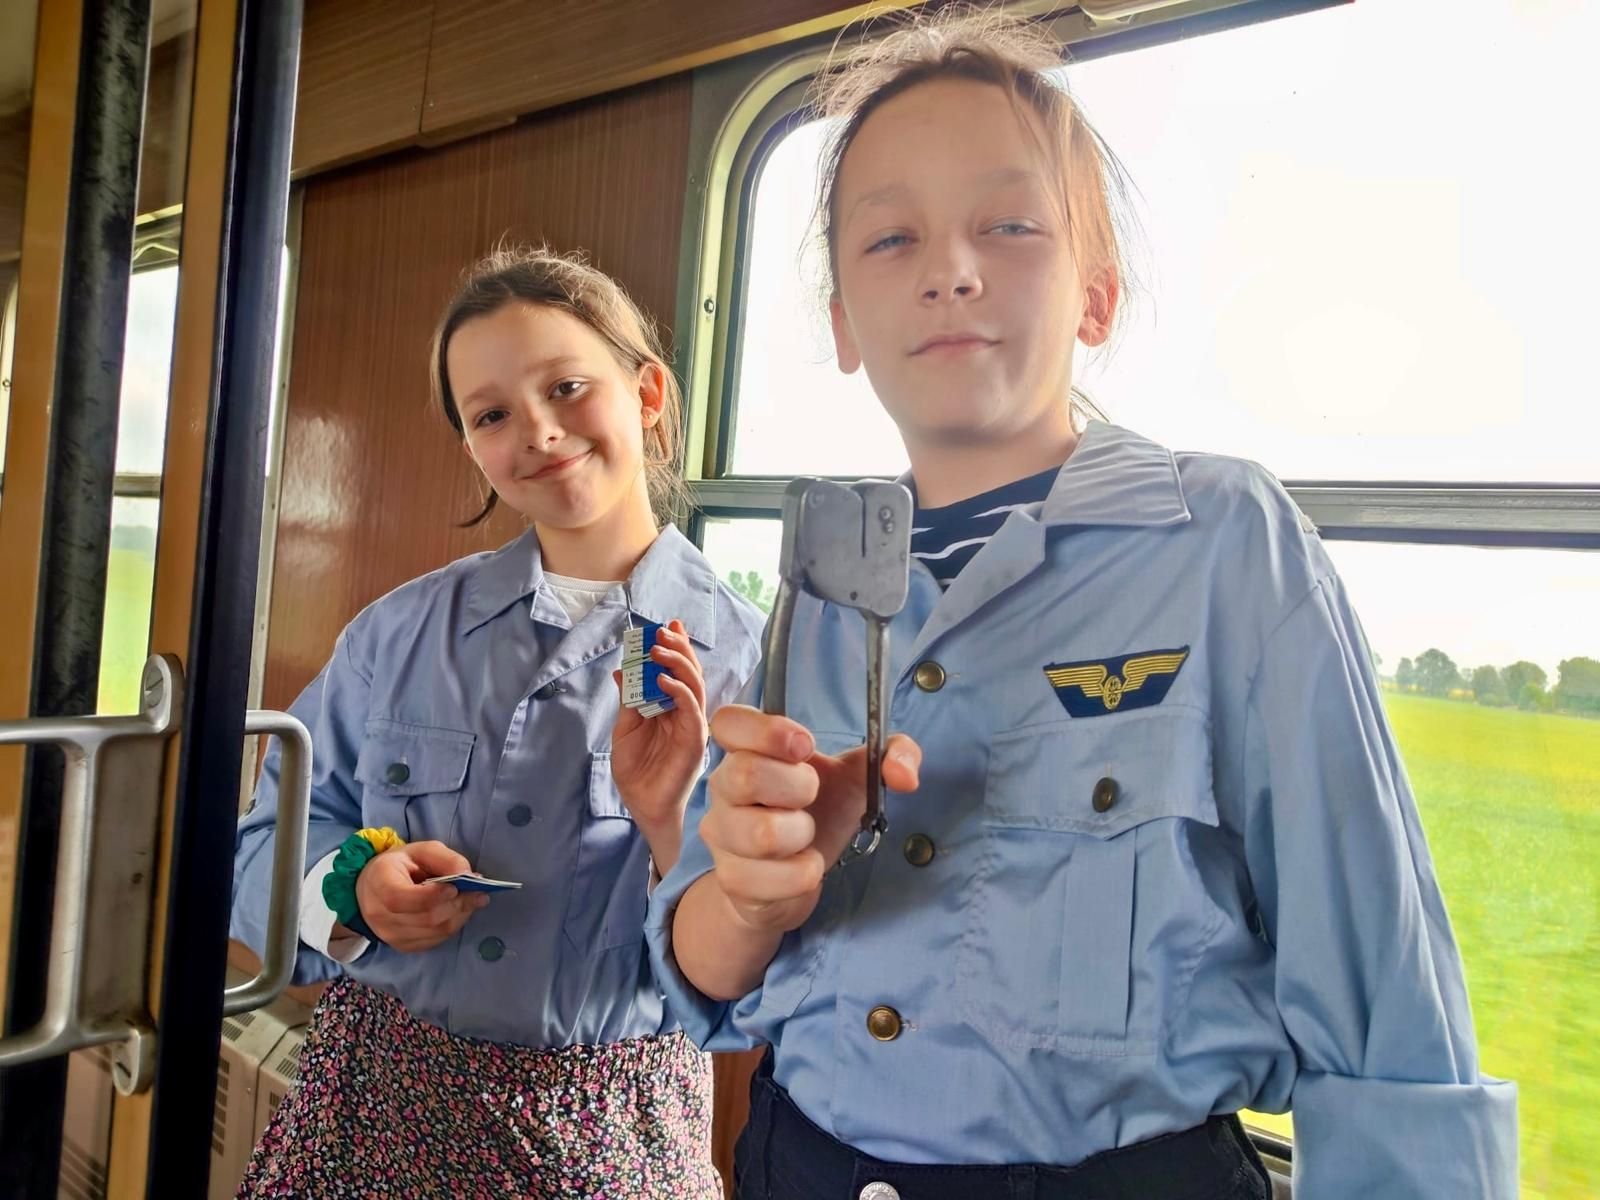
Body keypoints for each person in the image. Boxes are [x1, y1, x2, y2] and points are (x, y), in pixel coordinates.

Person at [647, 10, 1517, 1199]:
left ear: (1095, 296)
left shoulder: (1223, 544)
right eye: (891, 238)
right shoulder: (817, 580)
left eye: (1008, 225)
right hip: (798, 1165)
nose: (951, 267)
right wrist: (750, 893)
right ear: (843, 326)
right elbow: (699, 965)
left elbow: (1376, 979)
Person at [231, 246, 764, 1198]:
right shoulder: (395, 636)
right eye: (492, 415)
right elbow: (262, 840)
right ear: (472, 447)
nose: (541, 432)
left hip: (610, 1131)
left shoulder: (757, 664)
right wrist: (350, 893)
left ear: (646, 395)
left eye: (566, 386)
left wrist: (667, 820)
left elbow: (759, 955)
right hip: (370, 1106)